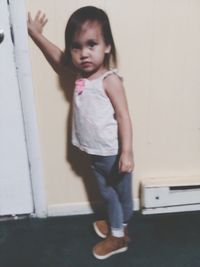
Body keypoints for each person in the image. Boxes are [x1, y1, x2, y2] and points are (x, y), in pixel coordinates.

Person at [27, 6, 134, 260]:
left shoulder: (110, 80)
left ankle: (119, 236)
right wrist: (36, 35)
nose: (83, 53)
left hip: (111, 152)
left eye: (91, 44)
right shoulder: (80, 74)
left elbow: (124, 117)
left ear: (107, 46)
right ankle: (119, 225)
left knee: (114, 193)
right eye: (77, 47)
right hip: (93, 151)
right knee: (110, 193)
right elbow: (57, 58)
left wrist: (127, 152)